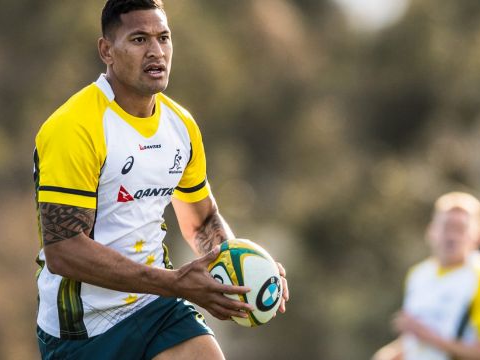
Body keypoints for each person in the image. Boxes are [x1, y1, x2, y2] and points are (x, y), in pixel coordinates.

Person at [32, 1, 289, 358]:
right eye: (138, 39)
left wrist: (243, 267)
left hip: (157, 309)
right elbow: (64, 252)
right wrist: (175, 283)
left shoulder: (180, 126)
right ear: (106, 50)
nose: (156, 51)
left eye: (163, 38)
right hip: (81, 330)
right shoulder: (73, 128)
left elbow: (202, 220)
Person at [372, 192, 480, 360]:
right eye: (447, 226)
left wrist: (430, 337)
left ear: (478, 237)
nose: (452, 236)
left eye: (461, 229)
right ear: (431, 231)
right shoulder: (418, 275)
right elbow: (418, 343)